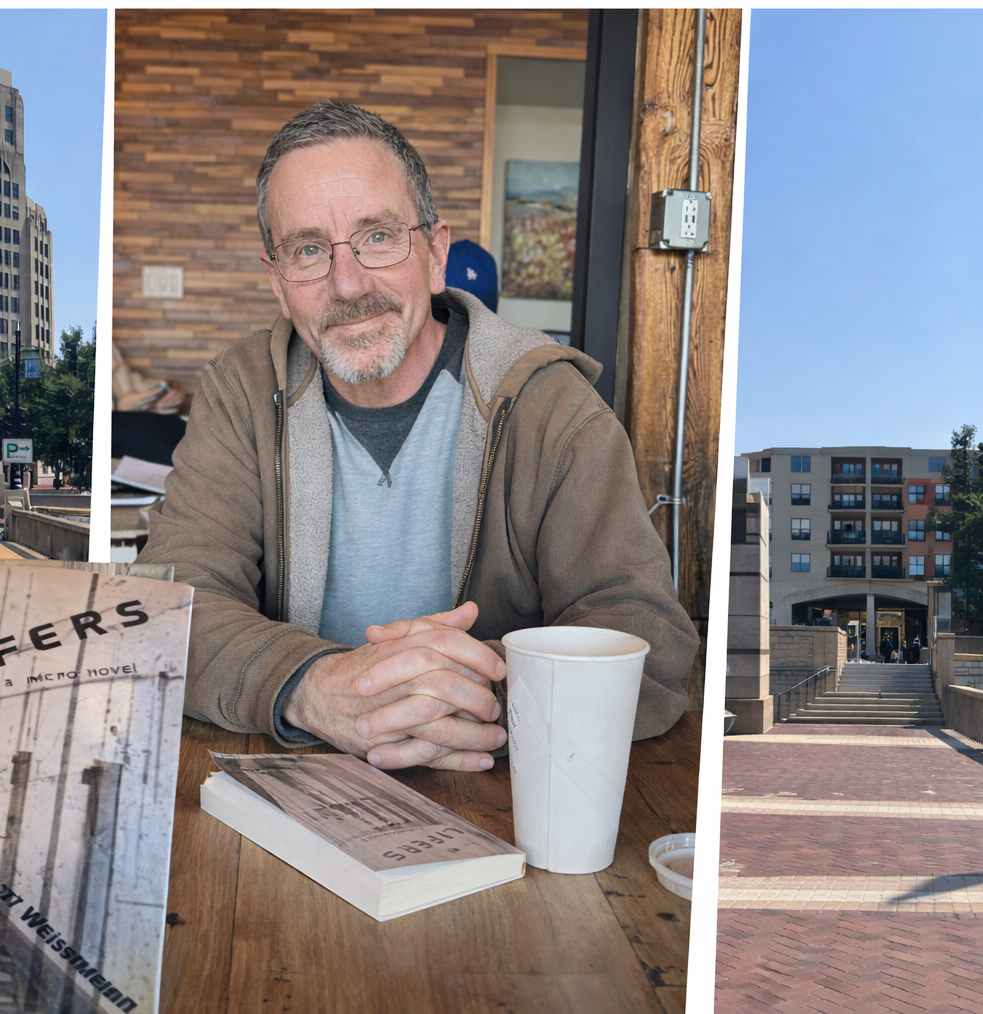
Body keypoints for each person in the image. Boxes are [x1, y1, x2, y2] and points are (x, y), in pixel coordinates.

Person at [137, 100, 698, 772]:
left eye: (378, 237)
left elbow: (646, 640)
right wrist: (309, 685)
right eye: (309, 250)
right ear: (278, 284)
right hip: (292, 783)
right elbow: (168, 604)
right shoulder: (241, 391)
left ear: (435, 255)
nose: (348, 285)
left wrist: (464, 697)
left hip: (497, 788)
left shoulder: (551, 405)